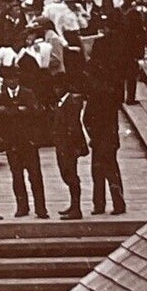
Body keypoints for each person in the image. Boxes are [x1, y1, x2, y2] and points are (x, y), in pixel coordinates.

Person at [83, 23, 127, 215]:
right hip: (110, 135)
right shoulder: (113, 87)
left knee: (98, 171)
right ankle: (118, 203)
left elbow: (87, 117)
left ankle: (99, 204)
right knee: (112, 169)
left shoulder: (96, 91)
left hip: (99, 136)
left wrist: (91, 132)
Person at [0, 64, 48, 219]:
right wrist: (19, 111)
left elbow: (36, 112)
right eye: (8, 79)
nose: (11, 81)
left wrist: (11, 111)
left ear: (18, 79)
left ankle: (41, 208)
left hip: (28, 142)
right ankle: (22, 207)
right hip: (13, 143)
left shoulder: (28, 93)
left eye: (14, 78)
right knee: (17, 177)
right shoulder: (2, 96)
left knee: (35, 176)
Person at [51, 78, 88, 220]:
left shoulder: (70, 103)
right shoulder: (64, 102)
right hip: (64, 145)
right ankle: (73, 205)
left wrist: (71, 146)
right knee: (67, 175)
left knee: (71, 176)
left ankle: (76, 208)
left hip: (68, 146)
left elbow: (72, 126)